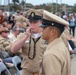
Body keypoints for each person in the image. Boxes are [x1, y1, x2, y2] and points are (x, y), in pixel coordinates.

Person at [11, 9, 47, 75]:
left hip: (42, 72)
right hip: (26, 72)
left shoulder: (46, 36)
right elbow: (13, 50)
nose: (32, 25)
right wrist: (25, 37)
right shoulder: (23, 35)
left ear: (41, 22)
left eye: (35, 22)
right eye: (30, 22)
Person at [39, 10, 71, 75]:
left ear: (53, 32)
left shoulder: (51, 54)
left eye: (44, 28)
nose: (42, 30)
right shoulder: (60, 45)